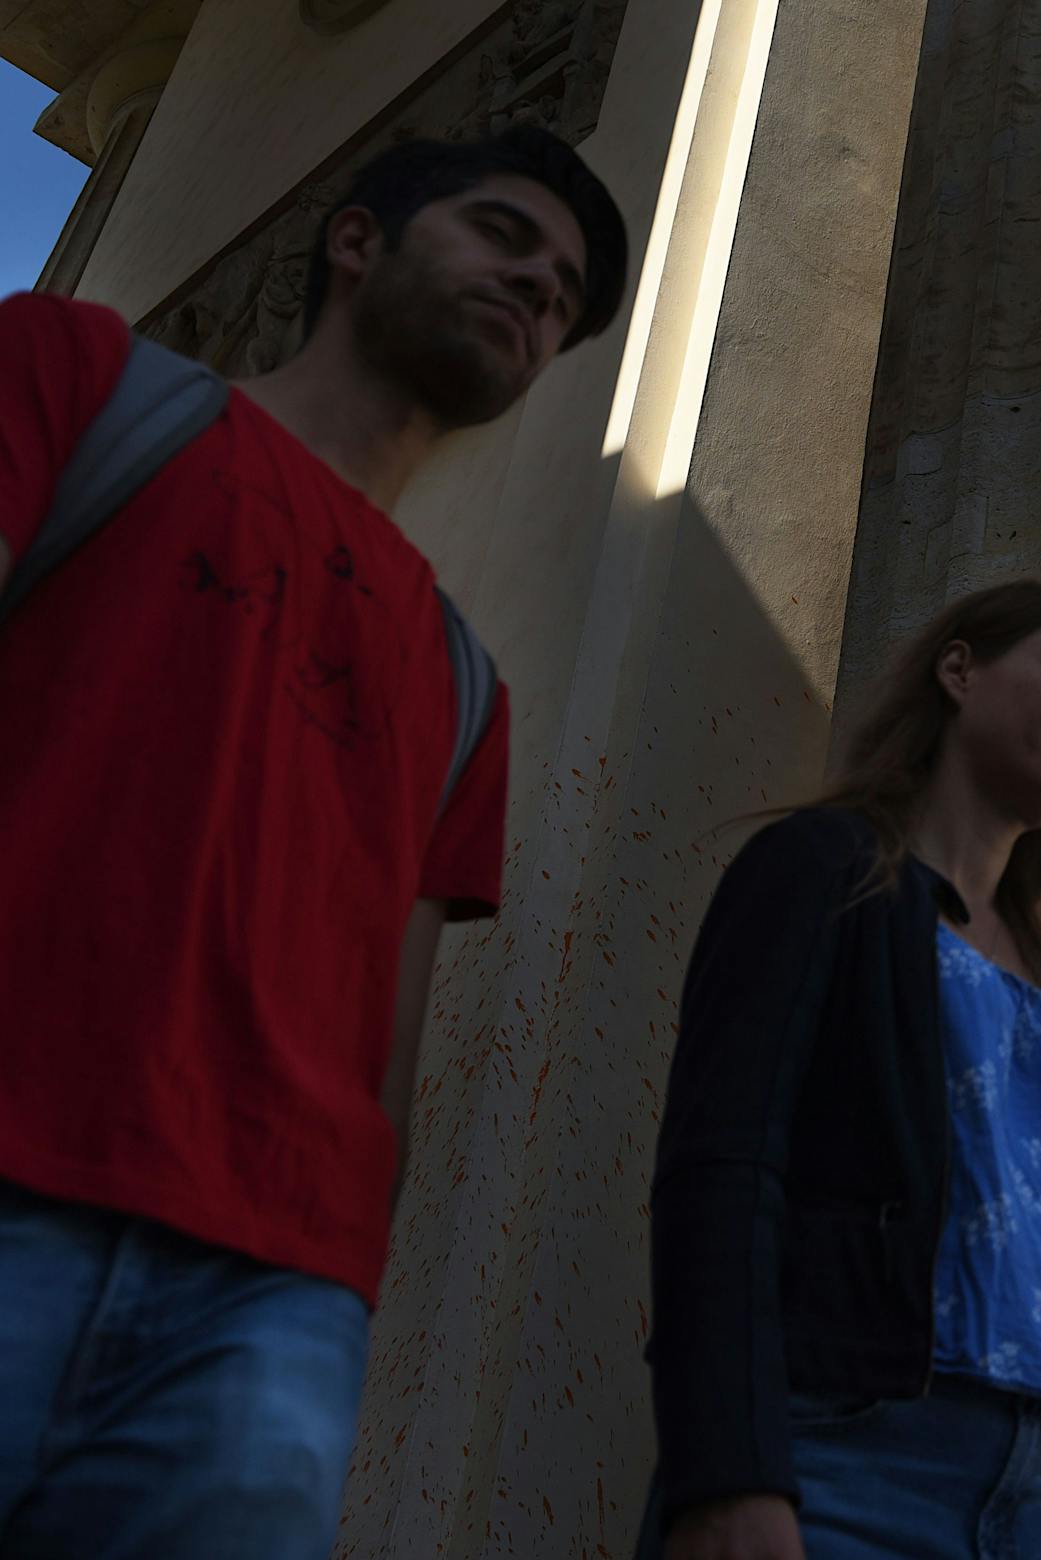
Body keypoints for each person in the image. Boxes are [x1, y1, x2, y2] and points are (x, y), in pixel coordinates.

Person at [0, 125, 629, 1559]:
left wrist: (340, 1280)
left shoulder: (472, 687)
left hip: (260, 1315)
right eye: (502, 236)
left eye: (566, 294)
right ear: (358, 241)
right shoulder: (74, 381)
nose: (536, 288)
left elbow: (387, 1043)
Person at [640, 580, 1041, 1560]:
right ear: (958, 670)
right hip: (839, 1460)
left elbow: (985, 1250)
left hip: (1030, 1491)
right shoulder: (822, 866)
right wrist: (727, 1471)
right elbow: (720, 1169)